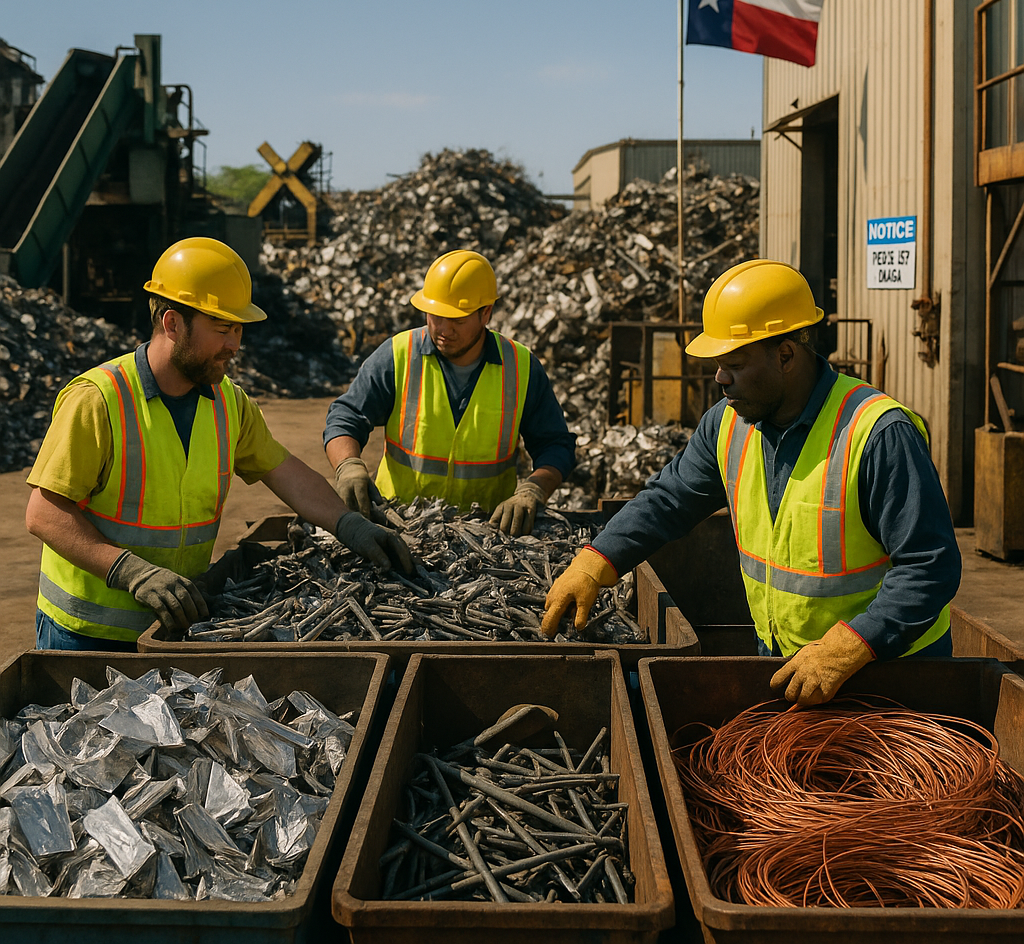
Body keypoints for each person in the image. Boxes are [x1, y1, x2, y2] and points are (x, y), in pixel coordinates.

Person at [542, 259, 962, 706]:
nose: (720, 378)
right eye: (718, 364)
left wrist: (854, 644)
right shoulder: (727, 424)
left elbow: (930, 565)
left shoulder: (877, 433)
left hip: (892, 676)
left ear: (785, 355)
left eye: (734, 364)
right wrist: (595, 561)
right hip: (789, 667)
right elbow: (669, 500)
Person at [25, 237, 413, 650]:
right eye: (223, 329)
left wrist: (347, 524)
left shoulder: (228, 402)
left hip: (172, 627)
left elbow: (285, 472)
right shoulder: (99, 399)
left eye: (238, 329)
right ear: (172, 323)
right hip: (84, 635)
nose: (235, 344)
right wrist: (129, 571)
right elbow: (43, 513)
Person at [324, 249, 576, 536]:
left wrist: (535, 488)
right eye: (436, 316)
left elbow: (556, 445)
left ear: (486, 313)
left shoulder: (520, 368)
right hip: (400, 525)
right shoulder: (398, 356)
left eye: (457, 320)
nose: (443, 329)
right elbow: (347, 416)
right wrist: (348, 465)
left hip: (489, 534)